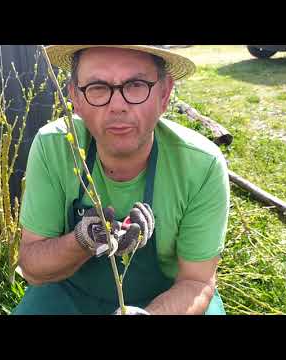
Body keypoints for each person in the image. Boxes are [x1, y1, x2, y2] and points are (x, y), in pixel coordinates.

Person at [12, 45, 230, 315]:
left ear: (164, 94)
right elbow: (33, 268)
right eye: (98, 87)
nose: (118, 106)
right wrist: (83, 241)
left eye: (136, 85)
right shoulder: (54, 147)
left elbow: (197, 281)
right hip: (70, 293)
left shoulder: (200, 165)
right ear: (75, 99)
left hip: (168, 297)